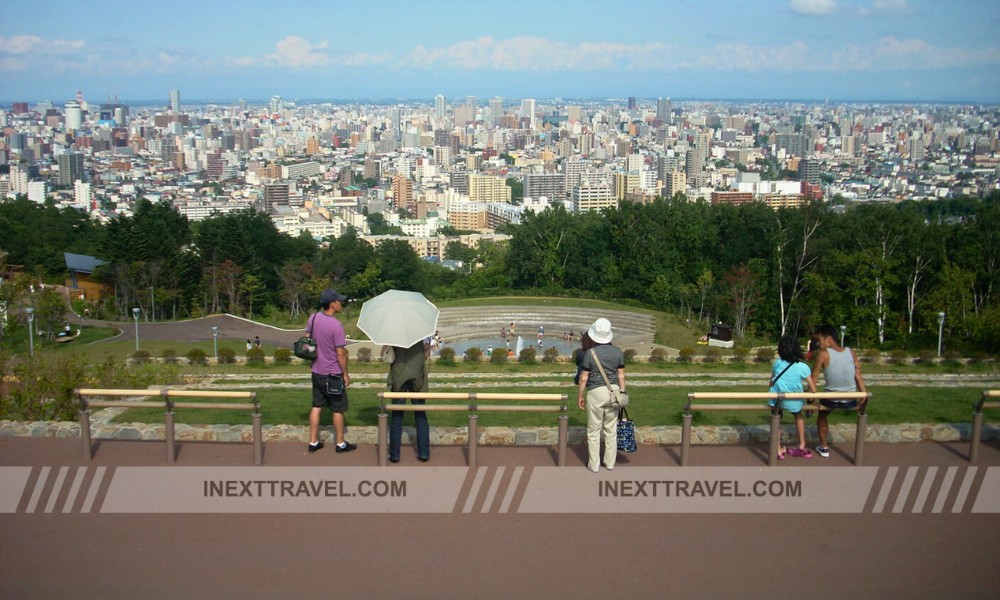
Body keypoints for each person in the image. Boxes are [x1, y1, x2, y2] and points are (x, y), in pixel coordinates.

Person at [307, 288, 356, 454]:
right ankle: (340, 443)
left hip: (316, 370)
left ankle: (313, 442)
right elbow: (340, 353)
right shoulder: (336, 325)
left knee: (316, 405)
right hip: (333, 373)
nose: (340, 303)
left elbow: (307, 338)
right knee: (337, 408)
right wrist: (346, 374)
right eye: (339, 301)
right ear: (332, 304)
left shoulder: (313, 318)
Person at [810, 323, 867, 458]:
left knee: (822, 414)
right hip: (850, 399)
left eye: (819, 340)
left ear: (829, 339)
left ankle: (824, 447)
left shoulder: (823, 354)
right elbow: (858, 374)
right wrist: (863, 394)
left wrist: (811, 399)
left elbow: (814, 377)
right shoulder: (851, 352)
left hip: (831, 399)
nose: (818, 344)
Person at [577, 318, 626, 472]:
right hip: (614, 391)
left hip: (596, 392)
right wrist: (622, 393)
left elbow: (584, 377)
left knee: (594, 430)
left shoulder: (590, 353)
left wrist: (580, 395)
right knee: (611, 429)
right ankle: (610, 463)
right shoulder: (618, 352)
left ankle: (594, 464)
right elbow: (621, 376)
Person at [769, 335, 817, 459]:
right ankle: (802, 444)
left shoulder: (777, 363)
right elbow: (813, 388)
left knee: (776, 420)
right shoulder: (802, 367)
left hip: (777, 399)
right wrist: (809, 396)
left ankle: (778, 448)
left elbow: (771, 382)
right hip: (795, 400)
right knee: (798, 417)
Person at [387, 338, 431, 463]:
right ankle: (424, 453)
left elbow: (386, 355)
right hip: (417, 375)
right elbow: (426, 354)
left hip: (398, 375)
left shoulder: (394, 332)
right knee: (421, 415)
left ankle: (394, 455)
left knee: (396, 416)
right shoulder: (422, 332)